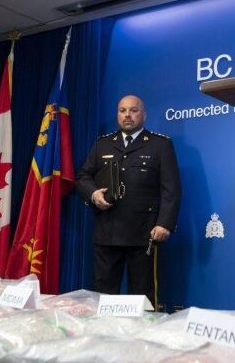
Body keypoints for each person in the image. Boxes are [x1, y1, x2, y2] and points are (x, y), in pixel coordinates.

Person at [76, 95, 181, 306]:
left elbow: (171, 188)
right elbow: (82, 177)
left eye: (133, 110)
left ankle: (142, 337)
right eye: (122, 111)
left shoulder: (160, 145)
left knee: (142, 297)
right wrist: (93, 194)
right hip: (108, 230)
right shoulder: (102, 144)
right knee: (102, 294)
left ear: (144, 115)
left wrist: (165, 223)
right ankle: (103, 336)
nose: (127, 115)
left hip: (144, 233)